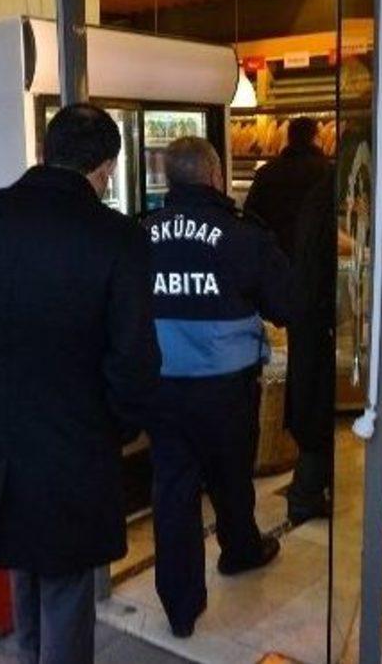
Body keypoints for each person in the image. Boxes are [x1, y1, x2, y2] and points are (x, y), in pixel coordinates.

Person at [0, 104, 160, 664]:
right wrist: (120, 426)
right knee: (65, 584)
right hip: (76, 441)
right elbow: (134, 359)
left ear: (43, 151)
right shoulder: (118, 237)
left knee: (23, 565)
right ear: (106, 168)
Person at [142, 137, 291, 638]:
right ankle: (239, 550)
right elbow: (284, 304)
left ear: (169, 180)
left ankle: (180, 606)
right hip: (226, 384)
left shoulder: (140, 233)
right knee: (230, 473)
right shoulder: (243, 234)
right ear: (216, 177)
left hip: (162, 383)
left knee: (172, 488)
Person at [284, 174, 341, 524]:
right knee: (318, 408)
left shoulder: (318, 194)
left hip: (307, 317)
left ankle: (309, 492)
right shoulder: (328, 196)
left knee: (314, 405)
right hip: (318, 320)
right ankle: (305, 495)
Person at [243, 116, 330, 261]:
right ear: (315, 138)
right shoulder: (326, 172)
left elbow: (250, 214)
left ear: (289, 138)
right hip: (314, 258)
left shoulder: (266, 172)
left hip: (274, 256)